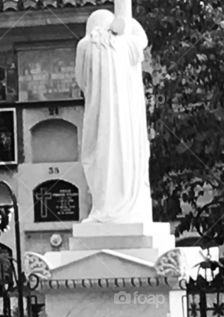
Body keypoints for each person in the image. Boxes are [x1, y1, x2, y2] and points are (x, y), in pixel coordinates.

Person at [74, 4, 152, 224]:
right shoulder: (125, 43)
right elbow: (142, 39)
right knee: (123, 158)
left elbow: (81, 80)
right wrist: (125, 25)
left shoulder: (85, 46)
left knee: (98, 157)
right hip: (126, 124)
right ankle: (122, 205)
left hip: (99, 119)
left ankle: (104, 206)